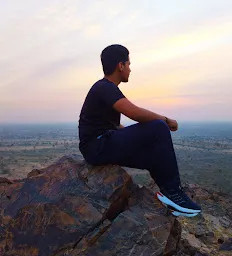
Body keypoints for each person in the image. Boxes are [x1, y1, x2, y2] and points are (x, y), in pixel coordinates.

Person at [78, 44, 201, 217]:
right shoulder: (105, 87)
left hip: (100, 144)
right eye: (128, 64)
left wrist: (139, 138)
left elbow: (115, 126)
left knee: (151, 154)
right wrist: (165, 120)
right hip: (97, 146)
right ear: (120, 66)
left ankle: (171, 197)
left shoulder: (105, 88)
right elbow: (133, 112)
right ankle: (175, 194)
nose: (130, 69)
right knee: (158, 127)